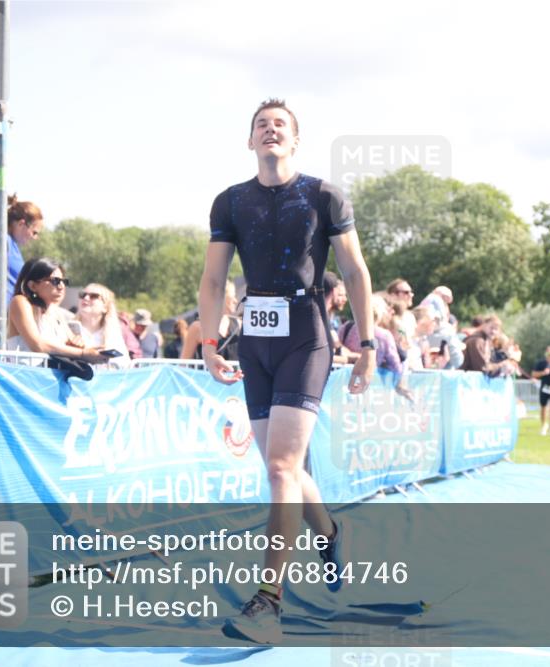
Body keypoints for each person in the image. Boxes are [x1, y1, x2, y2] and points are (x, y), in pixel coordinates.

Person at [200, 98, 375, 644]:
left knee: (279, 467)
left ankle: (268, 602)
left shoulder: (324, 195)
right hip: (254, 339)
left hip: (306, 336)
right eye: (261, 125)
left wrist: (367, 343)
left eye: (280, 125)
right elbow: (212, 281)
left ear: (295, 141)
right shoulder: (230, 201)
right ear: (249, 141)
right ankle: (328, 529)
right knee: (287, 471)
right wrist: (209, 344)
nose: (270, 130)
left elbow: (354, 268)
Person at [7, 257, 105, 364]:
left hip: (50, 378)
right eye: (55, 281)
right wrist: (82, 353)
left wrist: (77, 345)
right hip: (25, 377)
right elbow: (38, 345)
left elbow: (72, 343)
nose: (61, 287)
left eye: (64, 281)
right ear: (33, 286)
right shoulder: (20, 302)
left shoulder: (55, 311)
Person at [181, 280, 241, 361]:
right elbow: (184, 364)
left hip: (235, 373)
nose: (235, 301)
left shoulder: (239, 325)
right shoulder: (197, 328)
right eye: (232, 296)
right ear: (220, 297)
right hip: (207, 373)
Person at [75, 282, 130, 368]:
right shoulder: (67, 328)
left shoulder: (113, 335)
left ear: (105, 308)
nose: (86, 298)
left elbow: (123, 366)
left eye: (94, 296)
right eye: (83, 294)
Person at [4, 195, 44, 304]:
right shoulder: (1, 240)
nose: (35, 238)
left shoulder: (11, 245)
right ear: (21, 224)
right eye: (34, 232)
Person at [532, 346, 550, 436]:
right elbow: (533, 374)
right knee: (543, 408)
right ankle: (544, 425)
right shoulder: (541, 363)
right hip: (544, 387)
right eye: (549, 354)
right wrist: (542, 373)